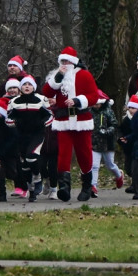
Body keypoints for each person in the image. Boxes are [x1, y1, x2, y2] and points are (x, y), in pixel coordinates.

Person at [41, 46, 101, 202]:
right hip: (63, 121)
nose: (64, 63)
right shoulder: (57, 76)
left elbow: (94, 96)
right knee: (63, 154)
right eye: (62, 61)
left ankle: (87, 186)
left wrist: (77, 101)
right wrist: (58, 77)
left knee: (84, 154)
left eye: (67, 60)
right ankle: (64, 188)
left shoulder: (84, 75)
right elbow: (47, 92)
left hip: (81, 120)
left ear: (73, 62)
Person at [9, 75, 52, 201]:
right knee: (24, 165)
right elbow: (9, 118)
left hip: (37, 134)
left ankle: (38, 177)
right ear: (20, 87)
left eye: (29, 84)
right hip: (21, 135)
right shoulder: (14, 101)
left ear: (34, 87)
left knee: (31, 157)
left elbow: (50, 116)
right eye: (24, 84)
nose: (27, 86)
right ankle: (31, 190)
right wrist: (12, 122)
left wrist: (42, 124)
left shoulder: (41, 99)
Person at [0, 79, 22, 202]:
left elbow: (14, 137)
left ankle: (23, 183)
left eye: (14, 88)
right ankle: (2, 194)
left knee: (13, 172)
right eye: (10, 88)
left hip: (11, 148)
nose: (12, 90)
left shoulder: (20, 104)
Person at [91, 93, 123, 197]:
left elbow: (114, 125)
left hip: (107, 142)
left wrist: (107, 131)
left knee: (110, 164)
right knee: (94, 165)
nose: (96, 106)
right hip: (95, 142)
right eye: (94, 104)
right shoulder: (90, 112)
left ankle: (119, 175)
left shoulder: (108, 111)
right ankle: (93, 186)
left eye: (98, 104)